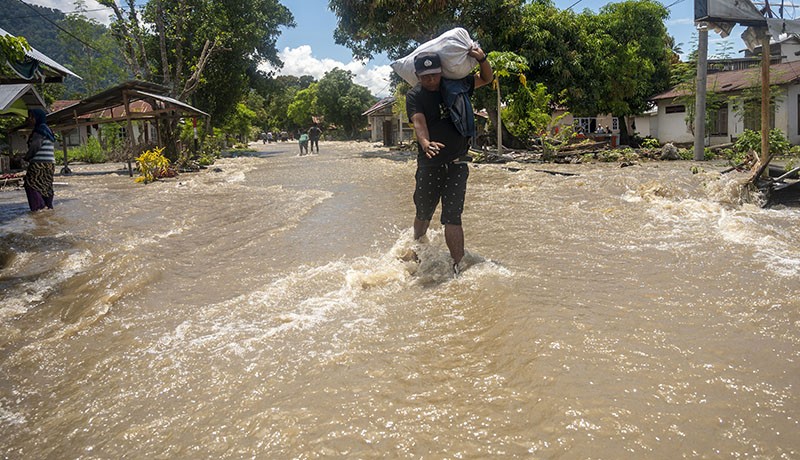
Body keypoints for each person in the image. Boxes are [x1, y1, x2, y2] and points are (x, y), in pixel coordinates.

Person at [405, 47, 493, 275]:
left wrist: (481, 58)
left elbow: (487, 77)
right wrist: (425, 143)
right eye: (424, 77)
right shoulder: (415, 96)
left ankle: (458, 267)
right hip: (429, 164)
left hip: (457, 163)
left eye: (433, 74)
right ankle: (416, 255)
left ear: (441, 71)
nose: (430, 79)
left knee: (453, 215)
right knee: (423, 212)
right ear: (417, 76)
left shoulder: (458, 85)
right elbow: (419, 122)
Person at [23, 108, 56, 211]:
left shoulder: (39, 130)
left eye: (31, 117)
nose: (29, 119)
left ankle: (39, 209)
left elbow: (35, 146)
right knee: (45, 187)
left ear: (37, 118)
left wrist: (26, 157)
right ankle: (48, 207)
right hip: (50, 165)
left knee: (30, 184)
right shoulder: (47, 130)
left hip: (39, 164)